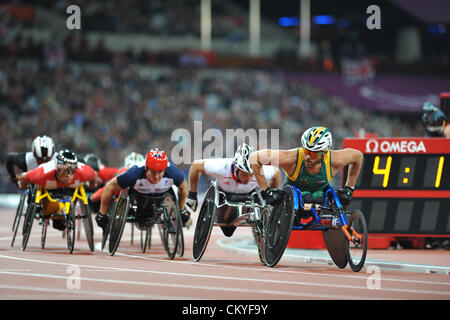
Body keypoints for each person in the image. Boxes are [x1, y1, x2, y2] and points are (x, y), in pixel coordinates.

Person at [250, 126, 363, 208]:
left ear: (324, 153)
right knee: (306, 198)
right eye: (306, 151)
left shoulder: (336, 159)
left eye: (313, 153)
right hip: (295, 190)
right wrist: (266, 191)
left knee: (319, 199)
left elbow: (358, 156)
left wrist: (349, 188)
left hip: (320, 191)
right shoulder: (290, 158)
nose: (308, 156)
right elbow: (254, 157)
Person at [185, 143, 281, 237]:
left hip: (248, 198)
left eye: (251, 175)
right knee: (228, 231)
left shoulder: (260, 171)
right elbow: (195, 166)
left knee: (229, 232)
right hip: (223, 200)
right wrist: (192, 195)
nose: (248, 179)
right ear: (236, 167)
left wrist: (270, 198)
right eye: (244, 174)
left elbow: (276, 173)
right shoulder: (222, 167)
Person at [95, 148, 189, 232]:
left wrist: (182, 208)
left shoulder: (173, 172)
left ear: (165, 169)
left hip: (160, 198)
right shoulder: (133, 173)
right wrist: (102, 213)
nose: (156, 177)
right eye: (153, 172)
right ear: (146, 168)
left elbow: (184, 186)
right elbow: (109, 187)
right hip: (138, 199)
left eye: (160, 172)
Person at [17, 149, 97, 230]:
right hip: (49, 190)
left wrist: (92, 186)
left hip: (69, 191)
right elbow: (24, 176)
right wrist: (22, 187)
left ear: (76, 169)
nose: (68, 175)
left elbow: (94, 175)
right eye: (65, 171)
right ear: (58, 170)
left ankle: (63, 217)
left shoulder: (83, 172)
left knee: (60, 226)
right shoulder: (43, 173)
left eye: (72, 171)